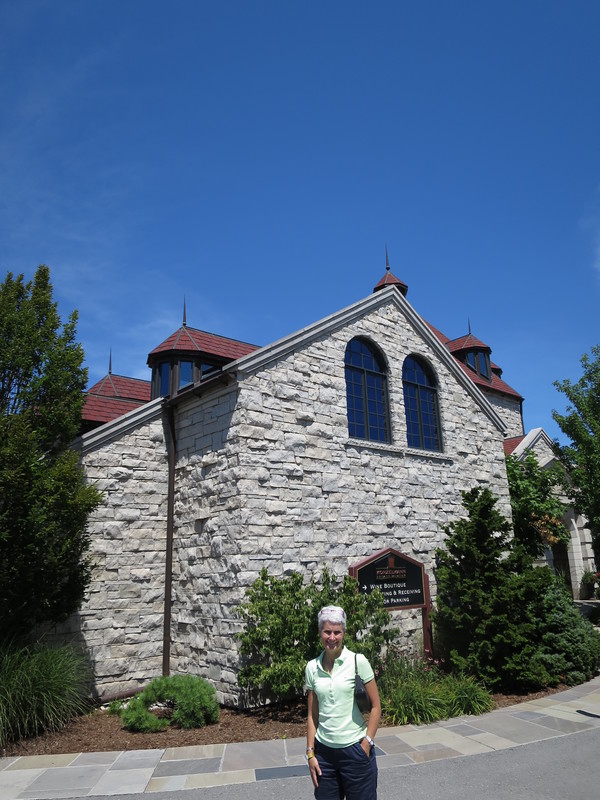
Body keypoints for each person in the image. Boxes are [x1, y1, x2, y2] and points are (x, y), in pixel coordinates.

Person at [304, 605, 381, 800]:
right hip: (324, 755)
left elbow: (376, 706)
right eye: (327, 632)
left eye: (337, 632)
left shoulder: (358, 661)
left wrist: (367, 744)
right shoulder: (312, 667)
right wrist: (310, 753)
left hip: (355, 750)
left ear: (344, 633)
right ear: (320, 632)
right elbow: (312, 715)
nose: (332, 637)